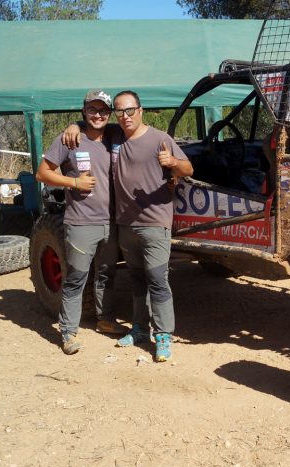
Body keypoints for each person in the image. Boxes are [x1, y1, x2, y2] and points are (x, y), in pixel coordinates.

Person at [36, 90, 128, 355]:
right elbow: (42, 173)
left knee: (107, 274)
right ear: (83, 111)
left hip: (110, 222)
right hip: (80, 223)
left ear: (109, 114)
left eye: (103, 110)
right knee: (77, 278)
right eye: (92, 110)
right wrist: (74, 182)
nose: (97, 115)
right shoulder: (69, 140)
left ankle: (106, 320)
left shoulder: (113, 136)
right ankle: (68, 332)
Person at [110, 90, 193, 362]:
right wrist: (74, 126)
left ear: (141, 110)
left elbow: (188, 169)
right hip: (126, 224)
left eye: (129, 110)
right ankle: (139, 330)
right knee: (136, 280)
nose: (125, 116)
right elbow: (89, 126)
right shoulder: (114, 137)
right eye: (119, 111)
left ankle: (164, 336)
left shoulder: (160, 138)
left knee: (158, 279)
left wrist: (173, 163)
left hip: (155, 223)